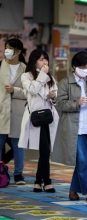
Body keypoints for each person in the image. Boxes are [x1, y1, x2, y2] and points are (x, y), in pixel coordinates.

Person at [52, 51, 87, 202]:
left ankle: (73, 190)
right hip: (74, 129)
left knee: (83, 160)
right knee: (83, 161)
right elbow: (60, 104)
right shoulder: (65, 83)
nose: (86, 70)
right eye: (83, 67)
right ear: (74, 67)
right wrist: (76, 103)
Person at [19, 49, 59, 192]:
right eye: (41, 59)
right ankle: (45, 181)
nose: (45, 62)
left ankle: (39, 180)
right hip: (35, 117)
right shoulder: (26, 76)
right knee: (44, 150)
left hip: (48, 117)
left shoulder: (51, 78)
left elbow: (55, 97)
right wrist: (42, 75)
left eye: (46, 59)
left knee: (45, 150)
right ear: (34, 60)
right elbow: (33, 90)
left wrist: (52, 96)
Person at [0, 38, 27, 185]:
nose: (7, 51)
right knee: (0, 142)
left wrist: (14, 90)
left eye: (10, 48)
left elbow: (29, 92)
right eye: (6, 48)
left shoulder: (25, 69)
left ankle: (18, 174)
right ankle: (0, 172)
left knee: (18, 144)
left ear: (18, 52)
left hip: (18, 111)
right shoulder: (0, 66)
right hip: (1, 110)